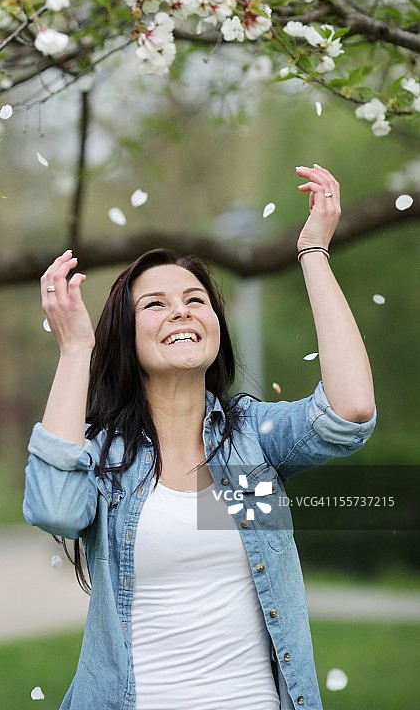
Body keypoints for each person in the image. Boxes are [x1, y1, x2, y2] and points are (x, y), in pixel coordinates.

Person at [23, 163, 377, 710]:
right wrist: (74, 351)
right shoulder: (104, 455)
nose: (181, 310)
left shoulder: (253, 441)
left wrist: (313, 253)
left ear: (214, 323)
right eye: (155, 304)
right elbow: (54, 508)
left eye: (195, 299)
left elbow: (349, 411)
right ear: (125, 336)